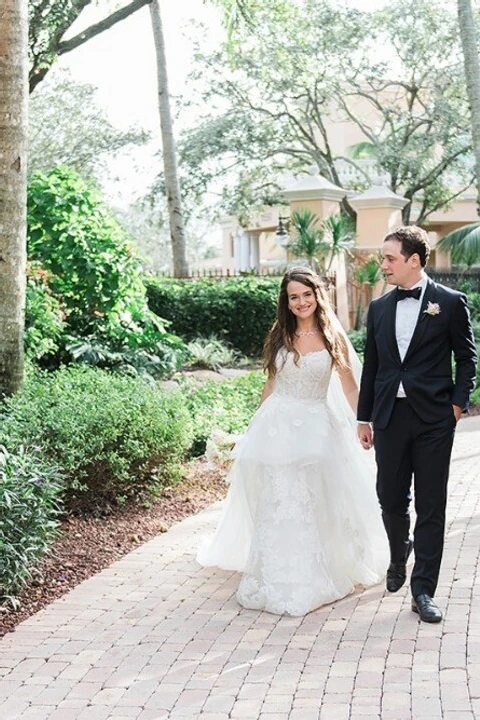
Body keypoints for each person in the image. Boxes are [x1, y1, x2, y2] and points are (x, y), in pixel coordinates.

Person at [197, 266, 388, 616]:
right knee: (277, 496)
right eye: (293, 297)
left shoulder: (333, 338)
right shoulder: (279, 336)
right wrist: (251, 429)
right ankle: (275, 568)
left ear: (317, 296)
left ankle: (317, 567)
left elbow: (349, 386)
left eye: (306, 295)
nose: (301, 302)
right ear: (287, 302)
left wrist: (363, 420)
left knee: (311, 496)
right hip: (276, 425)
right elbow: (270, 386)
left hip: (316, 425)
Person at [357, 225, 477, 623]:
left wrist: (457, 407)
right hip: (390, 417)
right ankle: (398, 553)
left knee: (431, 505)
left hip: (433, 420)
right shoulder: (378, 308)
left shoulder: (450, 302)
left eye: (389, 258)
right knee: (389, 497)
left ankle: (423, 589)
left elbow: (467, 358)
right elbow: (373, 366)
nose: (383, 265)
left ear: (413, 260)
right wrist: (364, 416)